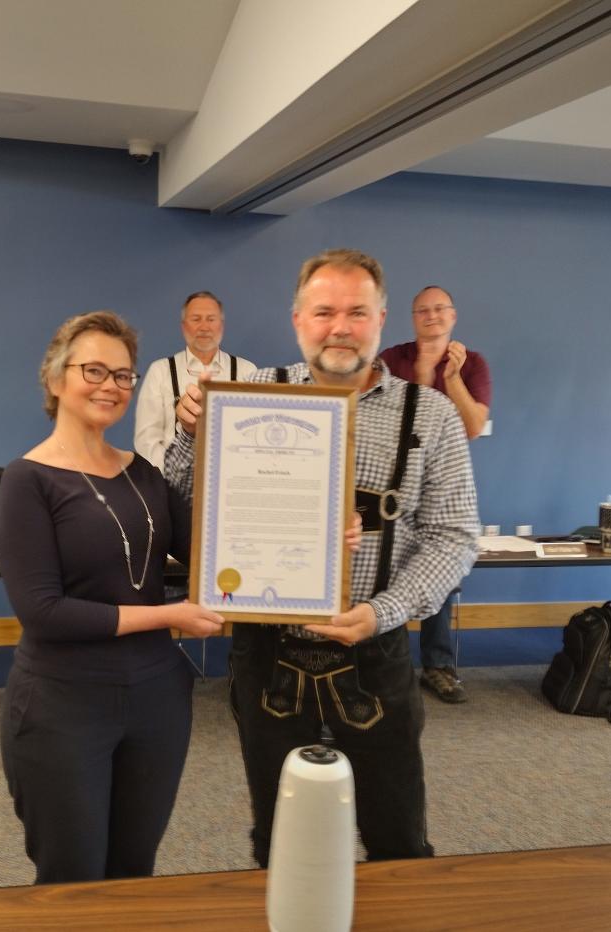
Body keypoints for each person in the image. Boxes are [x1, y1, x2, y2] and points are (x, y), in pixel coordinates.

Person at [166, 249, 479, 865]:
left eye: (357, 312)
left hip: (375, 651)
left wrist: (383, 611)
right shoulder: (243, 395)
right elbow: (181, 498)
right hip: (267, 655)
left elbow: (455, 536)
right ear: (297, 320)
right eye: (324, 311)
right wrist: (189, 434)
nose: (340, 326)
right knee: (281, 839)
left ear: (382, 319)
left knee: (398, 836)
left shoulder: (433, 415)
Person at [0, 310, 224, 884]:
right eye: (94, 370)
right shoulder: (28, 480)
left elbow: (213, 556)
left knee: (133, 873)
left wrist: (316, 534)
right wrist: (170, 615)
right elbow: (43, 613)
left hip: (157, 702)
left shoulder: (144, 474)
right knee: (71, 878)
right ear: (55, 379)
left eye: (123, 376)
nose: (111, 386)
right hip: (62, 705)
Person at [380, 285, 492, 704]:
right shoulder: (392, 359)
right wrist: (423, 374)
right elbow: (384, 420)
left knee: (441, 571)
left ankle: (439, 666)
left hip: (445, 485)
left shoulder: (472, 363)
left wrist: (448, 379)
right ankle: (380, 659)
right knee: (382, 568)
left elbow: (472, 426)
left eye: (439, 309)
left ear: (453, 315)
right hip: (392, 483)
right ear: (412, 318)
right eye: (422, 310)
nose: (431, 316)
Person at [134, 291, 257, 468]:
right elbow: (147, 440)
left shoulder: (247, 371)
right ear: (184, 326)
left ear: (221, 326)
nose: (204, 327)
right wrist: (172, 477)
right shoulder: (160, 371)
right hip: (172, 489)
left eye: (211, 319)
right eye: (196, 319)